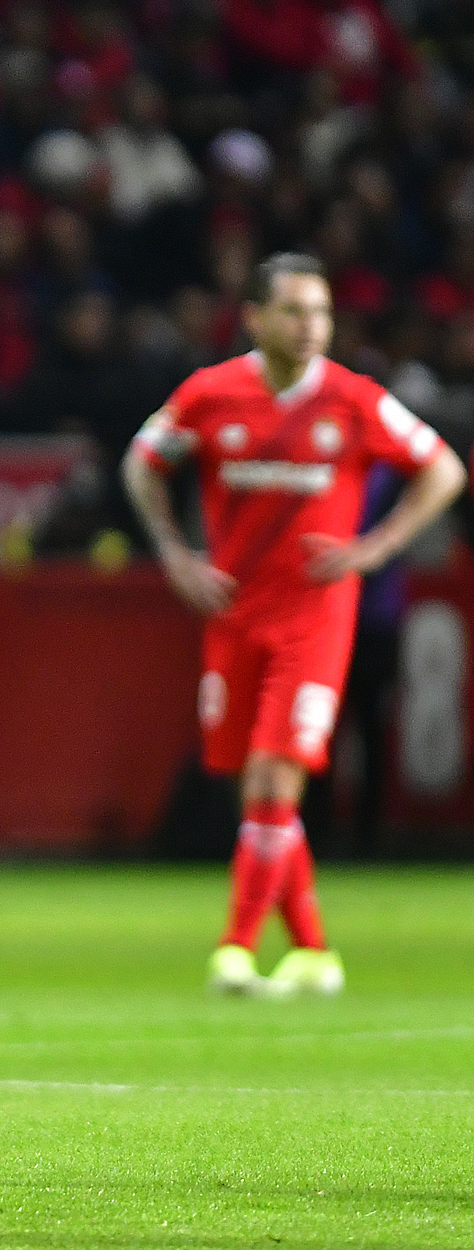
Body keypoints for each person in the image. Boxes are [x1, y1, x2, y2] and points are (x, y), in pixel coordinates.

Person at [123, 252, 464, 998]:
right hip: (234, 616)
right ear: (254, 317)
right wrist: (177, 557)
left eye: (322, 312)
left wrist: (373, 549)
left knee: (275, 777)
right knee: (253, 781)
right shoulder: (213, 394)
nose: (312, 327)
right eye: (295, 311)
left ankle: (235, 947)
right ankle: (314, 951)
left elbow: (443, 469)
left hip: (315, 620)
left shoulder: (353, 398)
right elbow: (143, 462)